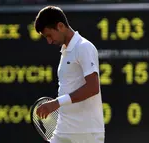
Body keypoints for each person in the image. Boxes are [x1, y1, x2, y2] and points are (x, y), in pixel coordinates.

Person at [35, 6, 105, 143]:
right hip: (63, 131)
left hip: (86, 133)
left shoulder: (84, 47)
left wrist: (57, 102)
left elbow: (93, 87)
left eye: (49, 35)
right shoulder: (65, 52)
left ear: (60, 26)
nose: (49, 41)